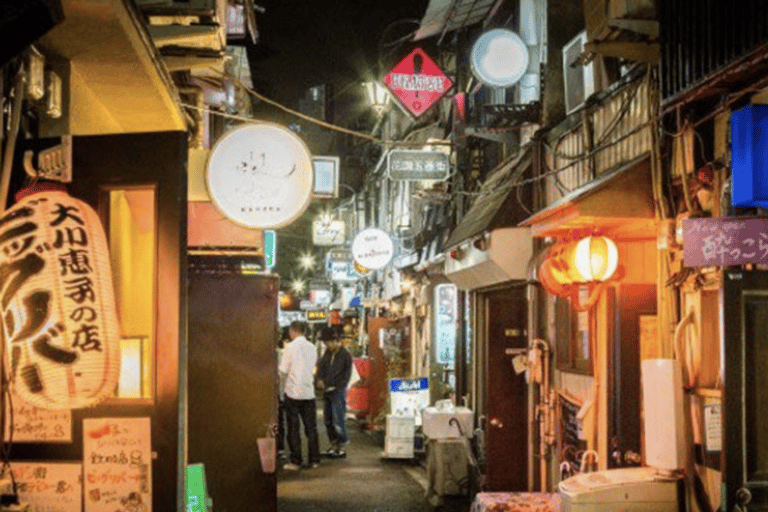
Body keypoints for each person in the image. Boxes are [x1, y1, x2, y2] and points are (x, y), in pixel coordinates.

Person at [278, 321, 320, 470]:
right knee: (311, 428)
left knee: (293, 428)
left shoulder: (289, 348)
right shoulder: (312, 347)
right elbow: (313, 367)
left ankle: (296, 461)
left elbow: (283, 371)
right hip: (309, 393)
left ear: (294, 331)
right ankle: (314, 459)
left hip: (293, 393)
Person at [315, 326, 352, 458]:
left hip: (338, 391)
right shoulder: (327, 353)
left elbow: (345, 376)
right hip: (327, 392)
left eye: (328, 342)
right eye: (325, 343)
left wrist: (332, 384)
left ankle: (341, 446)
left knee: (338, 418)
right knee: (328, 419)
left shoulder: (345, 355)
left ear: (335, 340)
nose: (327, 345)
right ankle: (333, 445)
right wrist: (319, 379)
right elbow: (320, 367)